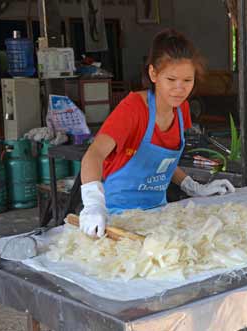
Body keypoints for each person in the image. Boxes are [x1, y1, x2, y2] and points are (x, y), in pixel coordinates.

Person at [79, 28, 236, 237]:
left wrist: (193, 187)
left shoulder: (182, 110)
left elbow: (163, 165)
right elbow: (94, 154)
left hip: (158, 215)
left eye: (187, 81)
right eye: (171, 80)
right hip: (115, 220)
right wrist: (93, 204)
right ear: (153, 74)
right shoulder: (134, 108)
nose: (179, 88)